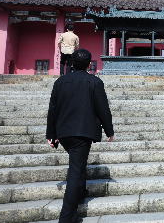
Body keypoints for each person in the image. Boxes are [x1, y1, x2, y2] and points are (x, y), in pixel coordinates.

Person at [46, 49, 114, 223]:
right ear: (89, 64)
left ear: (71, 63)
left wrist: (51, 134)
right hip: (82, 133)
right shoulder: (94, 82)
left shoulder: (60, 81)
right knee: (75, 170)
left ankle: (81, 192)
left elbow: (53, 109)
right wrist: (109, 131)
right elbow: (103, 109)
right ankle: (67, 217)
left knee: (78, 164)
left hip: (64, 133)